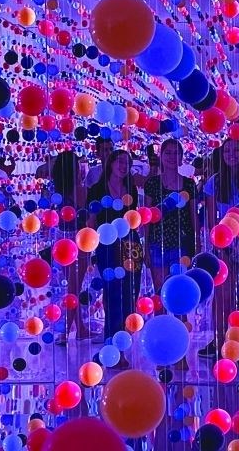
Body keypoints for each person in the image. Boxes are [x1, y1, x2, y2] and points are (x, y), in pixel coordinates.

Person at [199, 138, 239, 358]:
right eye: (227, 151)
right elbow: (211, 216)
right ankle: (220, 340)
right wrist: (218, 246)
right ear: (222, 155)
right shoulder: (215, 183)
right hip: (223, 243)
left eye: (235, 150)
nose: (231, 154)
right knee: (222, 295)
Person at [87, 150, 143, 368]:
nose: (122, 165)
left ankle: (122, 347)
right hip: (106, 244)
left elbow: (135, 218)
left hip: (131, 242)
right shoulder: (97, 189)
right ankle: (111, 348)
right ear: (109, 163)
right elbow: (91, 222)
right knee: (112, 295)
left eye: (126, 162)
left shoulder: (132, 190)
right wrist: (91, 251)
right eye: (119, 160)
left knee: (130, 294)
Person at [52, 151, 100, 345]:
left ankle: (79, 328)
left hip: (61, 240)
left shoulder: (58, 191)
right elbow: (89, 219)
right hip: (78, 240)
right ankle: (65, 331)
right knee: (74, 287)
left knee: (72, 286)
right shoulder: (80, 191)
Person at [143, 139, 200, 290]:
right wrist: (146, 247)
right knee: (160, 293)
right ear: (161, 156)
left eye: (176, 153)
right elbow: (147, 219)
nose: (171, 157)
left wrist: (197, 242)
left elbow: (194, 216)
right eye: (168, 153)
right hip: (156, 244)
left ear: (181, 158)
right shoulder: (152, 184)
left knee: (180, 293)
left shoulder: (189, 184)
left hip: (182, 245)